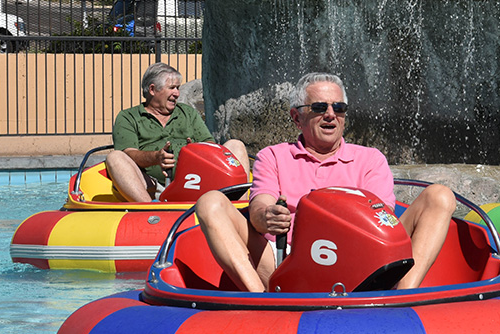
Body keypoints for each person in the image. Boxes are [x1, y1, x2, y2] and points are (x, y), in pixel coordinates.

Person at [195, 72, 457, 293]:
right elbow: (259, 207)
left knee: (439, 196)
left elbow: (382, 218)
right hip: (283, 260)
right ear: (296, 117)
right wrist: (267, 216)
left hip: (361, 258)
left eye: (338, 108)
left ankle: (402, 296)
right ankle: (261, 300)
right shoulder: (272, 156)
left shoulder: (371, 159)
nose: (331, 115)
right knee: (210, 202)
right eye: (320, 108)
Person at [106, 62, 249, 202]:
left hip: (195, 182)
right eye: (172, 88)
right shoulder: (128, 117)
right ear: (152, 89)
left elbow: (210, 144)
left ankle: (241, 206)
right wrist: (156, 157)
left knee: (236, 145)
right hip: (152, 186)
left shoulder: (187, 113)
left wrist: (196, 151)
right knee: (115, 157)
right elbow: (129, 154)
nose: (177, 93)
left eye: (178, 88)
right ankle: (149, 209)